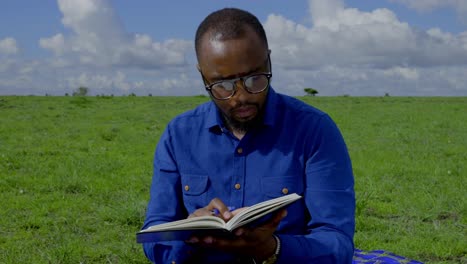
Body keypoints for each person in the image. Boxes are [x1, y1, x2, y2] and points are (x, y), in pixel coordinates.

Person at [141, 7, 355, 264]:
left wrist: (272, 249)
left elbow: (337, 242)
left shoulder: (315, 130)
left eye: (255, 78)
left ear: (269, 60)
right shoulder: (179, 135)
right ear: (202, 75)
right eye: (223, 85)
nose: (241, 96)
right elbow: (153, 236)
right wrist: (187, 234)